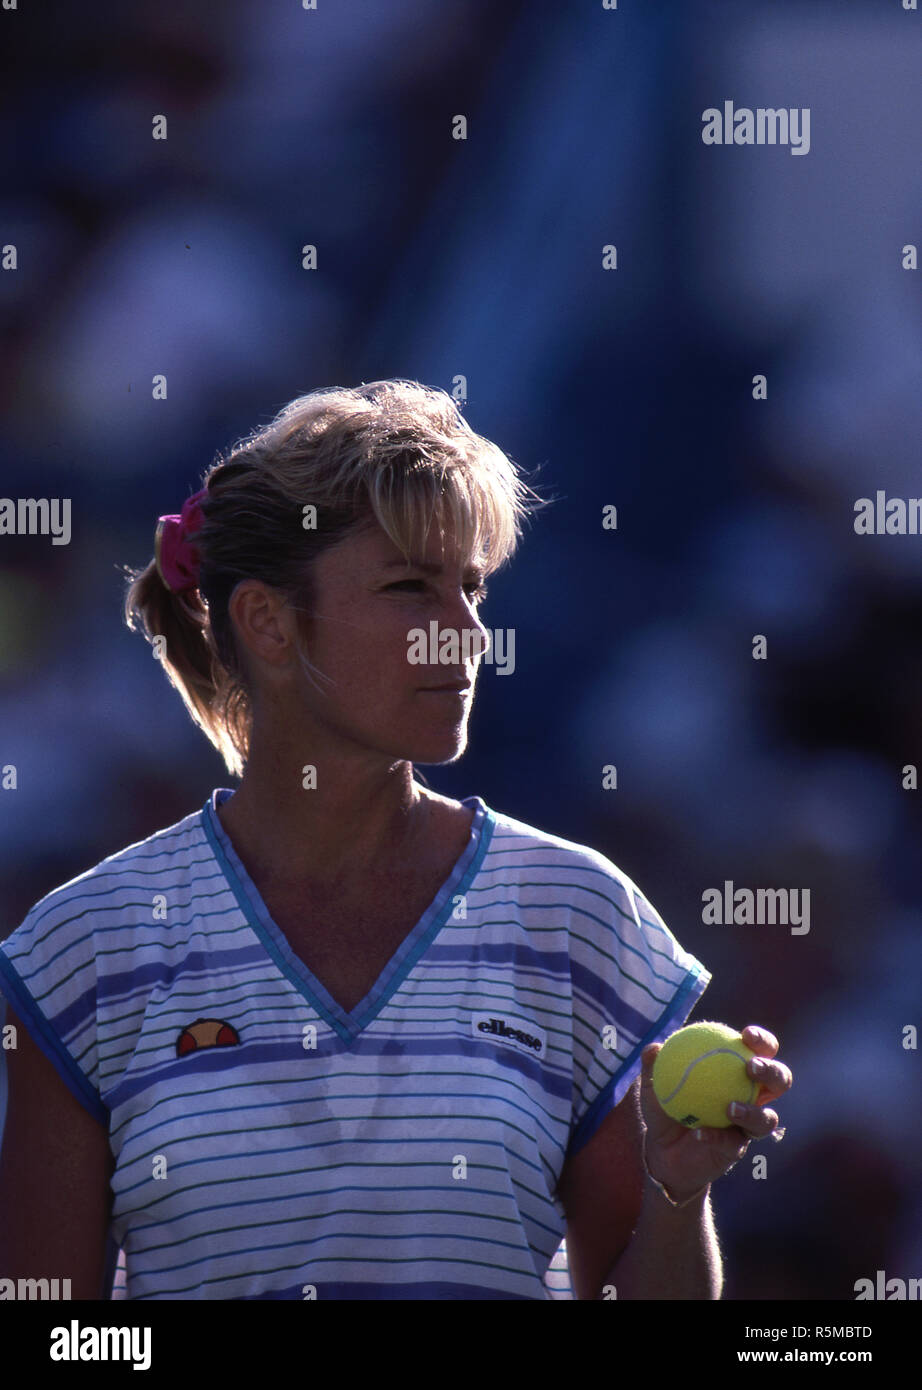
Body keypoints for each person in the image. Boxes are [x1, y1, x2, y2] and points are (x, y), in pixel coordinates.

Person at [0, 379, 791, 1300]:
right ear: (267, 622)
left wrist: (675, 1192)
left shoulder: (580, 914)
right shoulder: (85, 945)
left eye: (472, 588)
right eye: (411, 587)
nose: (463, 633)